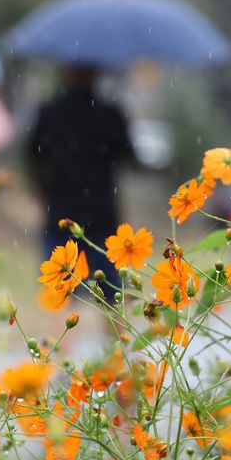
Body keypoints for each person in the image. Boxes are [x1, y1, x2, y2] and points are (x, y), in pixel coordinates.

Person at [27, 66, 133, 292]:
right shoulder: (109, 114)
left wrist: (43, 190)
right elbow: (128, 157)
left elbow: (32, 158)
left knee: (59, 290)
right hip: (101, 211)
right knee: (113, 294)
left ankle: (59, 328)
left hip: (61, 210)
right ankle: (118, 329)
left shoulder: (50, 113)